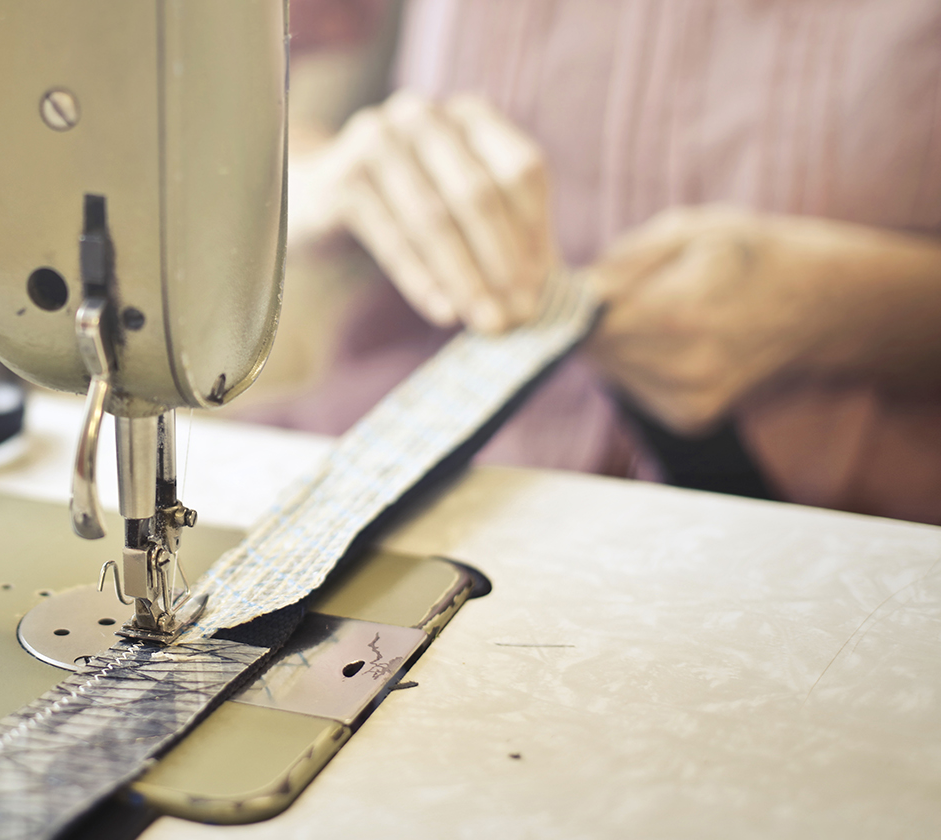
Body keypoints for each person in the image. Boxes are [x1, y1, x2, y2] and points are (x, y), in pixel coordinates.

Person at [267, 0, 941, 524]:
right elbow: (209, 103)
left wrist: (842, 306)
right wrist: (315, 178)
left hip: (847, 534)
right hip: (385, 479)